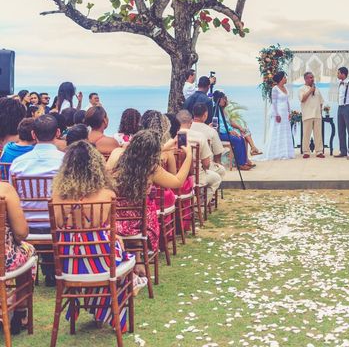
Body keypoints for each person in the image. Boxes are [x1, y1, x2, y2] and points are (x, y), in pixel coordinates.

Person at [51, 140, 141, 331]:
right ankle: (107, 307)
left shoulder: (57, 197)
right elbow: (107, 227)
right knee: (122, 253)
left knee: (114, 246)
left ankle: (94, 305)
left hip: (69, 262)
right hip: (101, 262)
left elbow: (59, 226)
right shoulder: (107, 195)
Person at [109, 130, 192, 276]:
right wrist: (189, 156)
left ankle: (134, 259)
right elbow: (177, 182)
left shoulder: (116, 155)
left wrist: (164, 147)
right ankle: (139, 259)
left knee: (136, 206)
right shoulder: (151, 169)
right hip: (139, 224)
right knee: (147, 205)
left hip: (114, 220)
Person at [9, 114, 65, 286]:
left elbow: (14, 198)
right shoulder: (65, 162)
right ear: (57, 132)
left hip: (26, 224)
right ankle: (53, 270)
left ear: (33, 135)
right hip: (57, 223)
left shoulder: (18, 163)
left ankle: (39, 269)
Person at [0, 180, 37, 334]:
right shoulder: (4, 190)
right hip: (3, 259)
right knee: (29, 250)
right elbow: (22, 232)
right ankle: (20, 314)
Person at [176, 110, 223, 199]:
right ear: (191, 122)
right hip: (196, 177)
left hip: (175, 175)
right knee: (216, 178)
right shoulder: (199, 136)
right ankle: (199, 205)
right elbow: (206, 163)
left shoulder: (173, 137)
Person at [263, 71, 295, 161]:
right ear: (281, 79)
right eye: (284, 77)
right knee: (277, 131)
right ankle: (276, 153)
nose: (286, 79)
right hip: (279, 112)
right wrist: (276, 114)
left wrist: (289, 112)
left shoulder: (285, 88)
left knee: (285, 131)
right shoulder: (275, 88)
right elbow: (274, 102)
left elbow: (287, 101)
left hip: (285, 112)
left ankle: (286, 152)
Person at [190, 102, 226, 168]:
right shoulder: (211, 131)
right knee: (221, 169)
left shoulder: (187, 128)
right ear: (205, 115)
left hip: (188, 165)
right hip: (205, 167)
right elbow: (217, 154)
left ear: (193, 113)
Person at [299, 72, 325, 158]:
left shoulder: (317, 89)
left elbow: (321, 102)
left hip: (317, 115)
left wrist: (320, 112)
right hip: (307, 115)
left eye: (313, 77)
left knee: (318, 134)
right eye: (310, 77)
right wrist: (310, 90)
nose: (312, 79)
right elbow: (302, 99)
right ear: (305, 79)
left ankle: (319, 151)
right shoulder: (301, 89)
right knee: (306, 134)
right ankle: (306, 152)